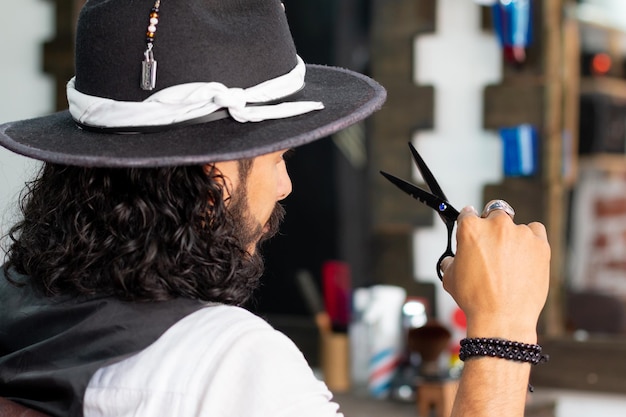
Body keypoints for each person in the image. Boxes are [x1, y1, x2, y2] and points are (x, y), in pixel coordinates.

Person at [0, 1, 550, 416]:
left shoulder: (14, 307)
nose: (286, 186)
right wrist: (504, 325)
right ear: (212, 176)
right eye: (278, 157)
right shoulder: (230, 366)